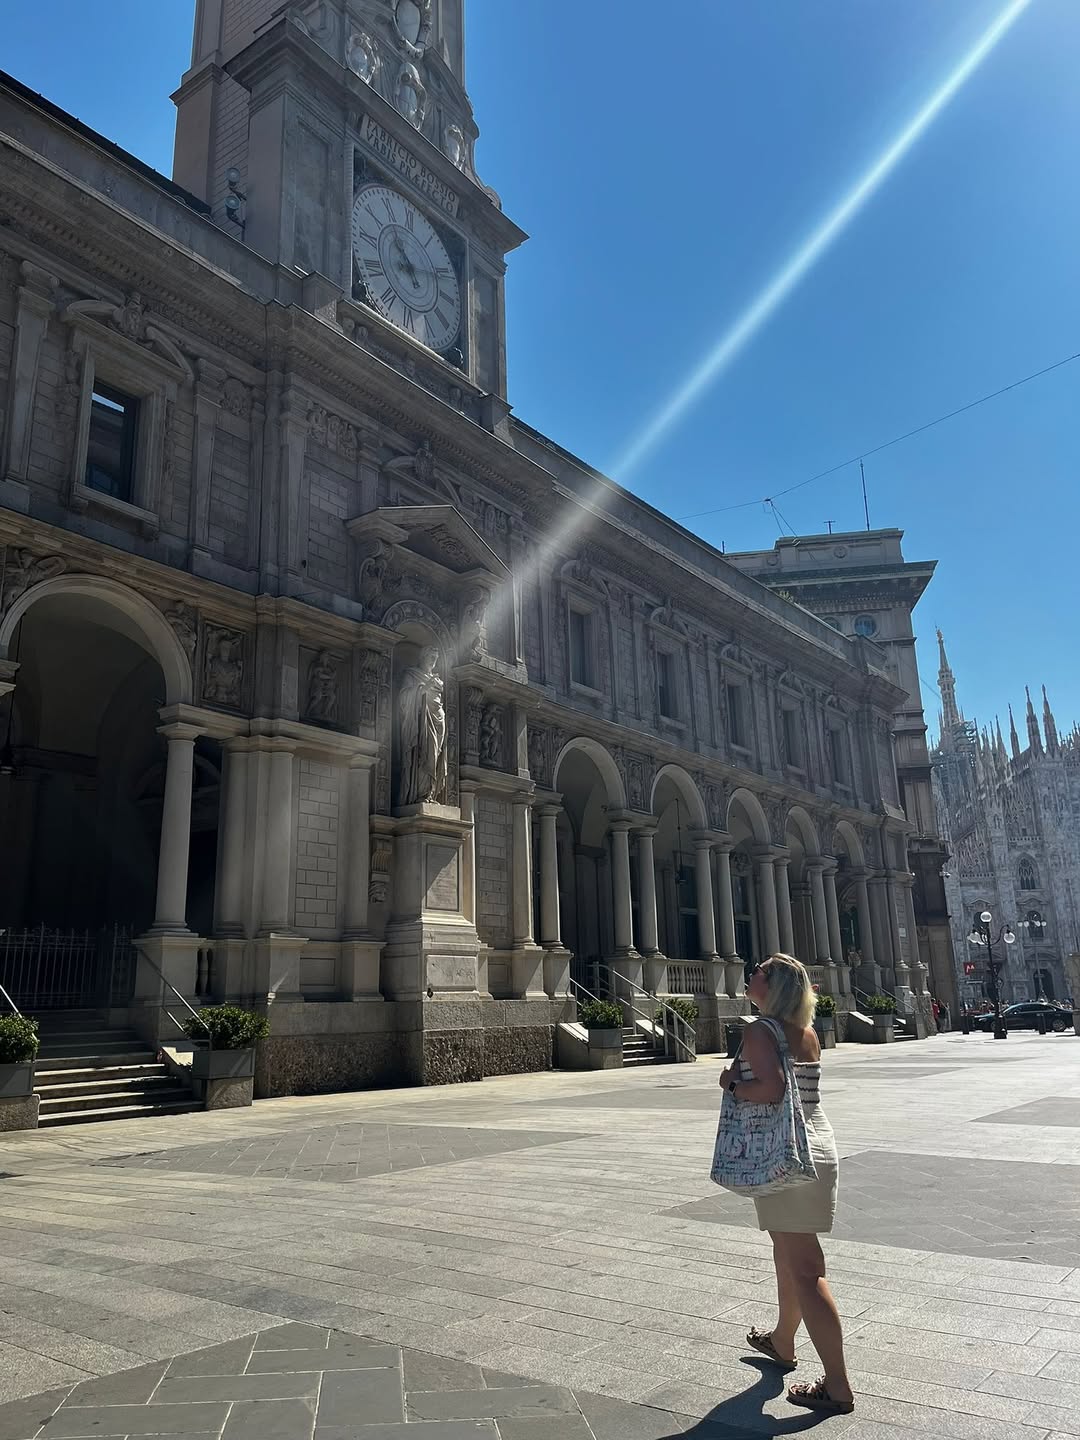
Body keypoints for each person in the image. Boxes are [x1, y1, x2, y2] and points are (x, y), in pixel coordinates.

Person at [718, 953, 854, 1417]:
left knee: (807, 1269)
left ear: (770, 986)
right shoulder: (806, 1032)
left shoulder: (760, 1031)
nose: (749, 974)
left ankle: (837, 1385)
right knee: (790, 1253)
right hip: (814, 1142)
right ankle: (782, 1340)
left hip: (785, 1155)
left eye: (756, 971)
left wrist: (731, 1085)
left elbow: (771, 1091)